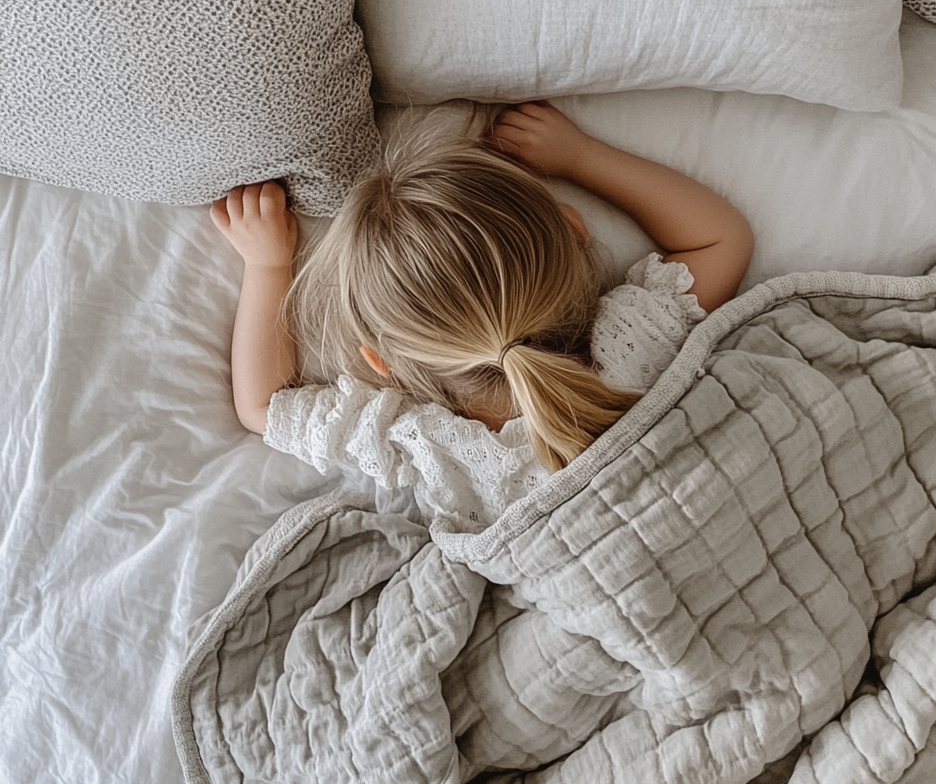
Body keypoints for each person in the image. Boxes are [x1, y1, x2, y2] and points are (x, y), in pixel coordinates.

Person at [211, 101, 753, 531]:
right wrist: (581, 157)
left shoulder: (415, 439)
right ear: (575, 230)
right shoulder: (631, 339)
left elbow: (263, 405)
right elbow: (720, 237)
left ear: (381, 362)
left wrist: (267, 264)